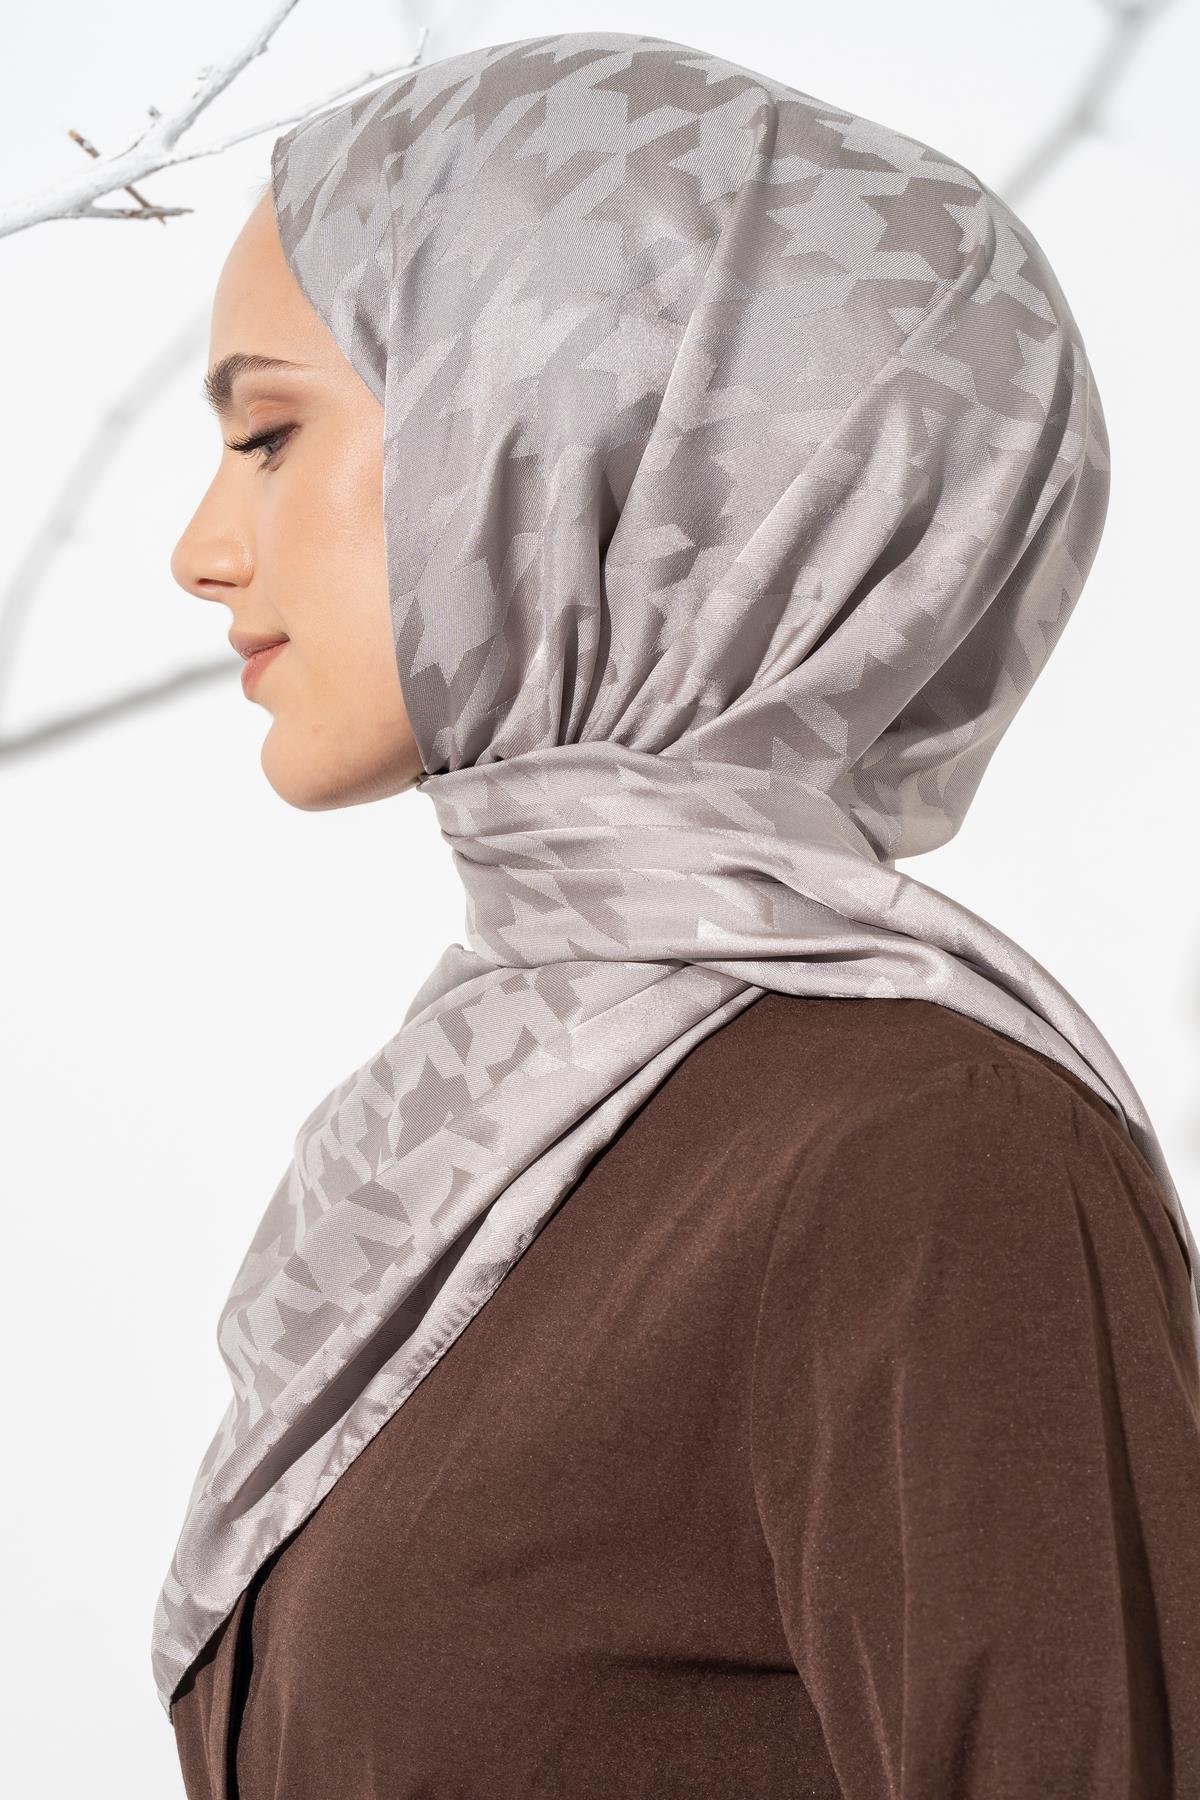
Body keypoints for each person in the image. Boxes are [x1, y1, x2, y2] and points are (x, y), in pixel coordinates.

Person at [163, 32, 1200, 1797]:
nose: (200, 549)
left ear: (568, 432)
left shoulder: (926, 1154)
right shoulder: (475, 1131)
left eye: (270, 434)